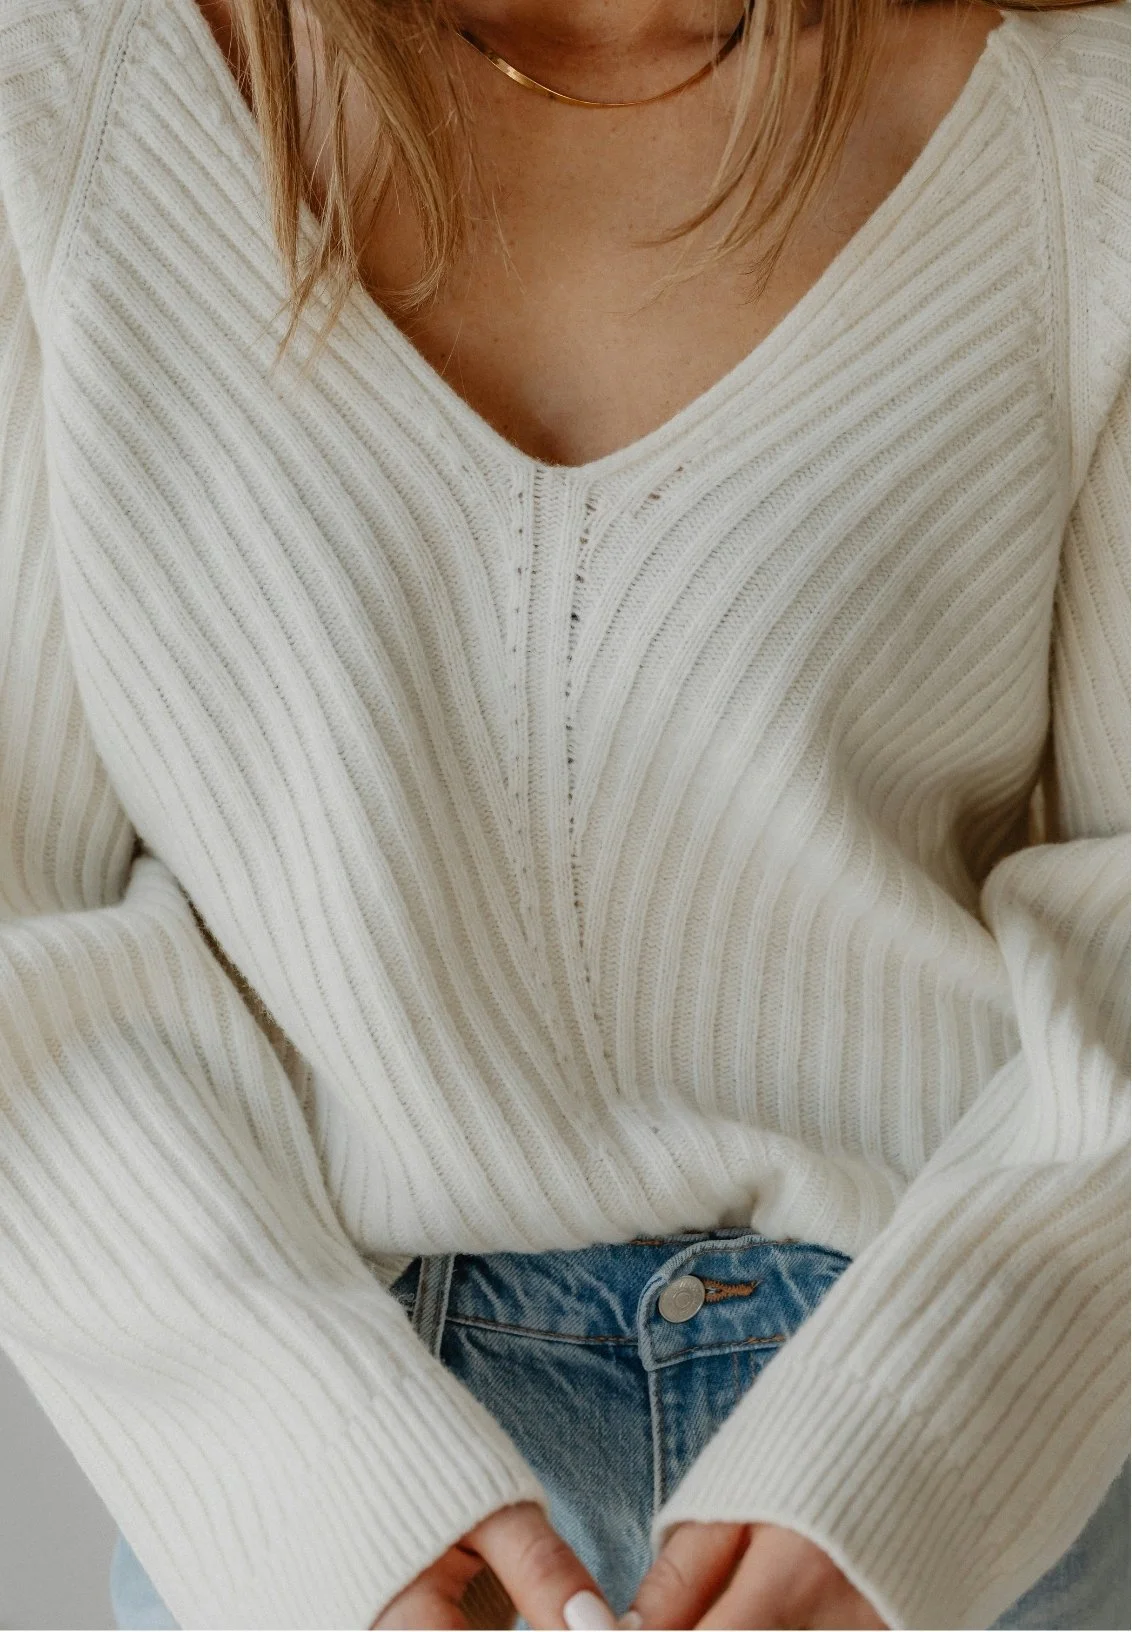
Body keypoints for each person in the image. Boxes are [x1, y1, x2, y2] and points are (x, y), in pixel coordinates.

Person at [0, 0, 1127, 1624]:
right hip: (323, 1523)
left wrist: (904, 1461)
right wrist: (328, 1499)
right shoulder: (72, 100)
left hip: (954, 1520)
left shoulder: (1084, 133)